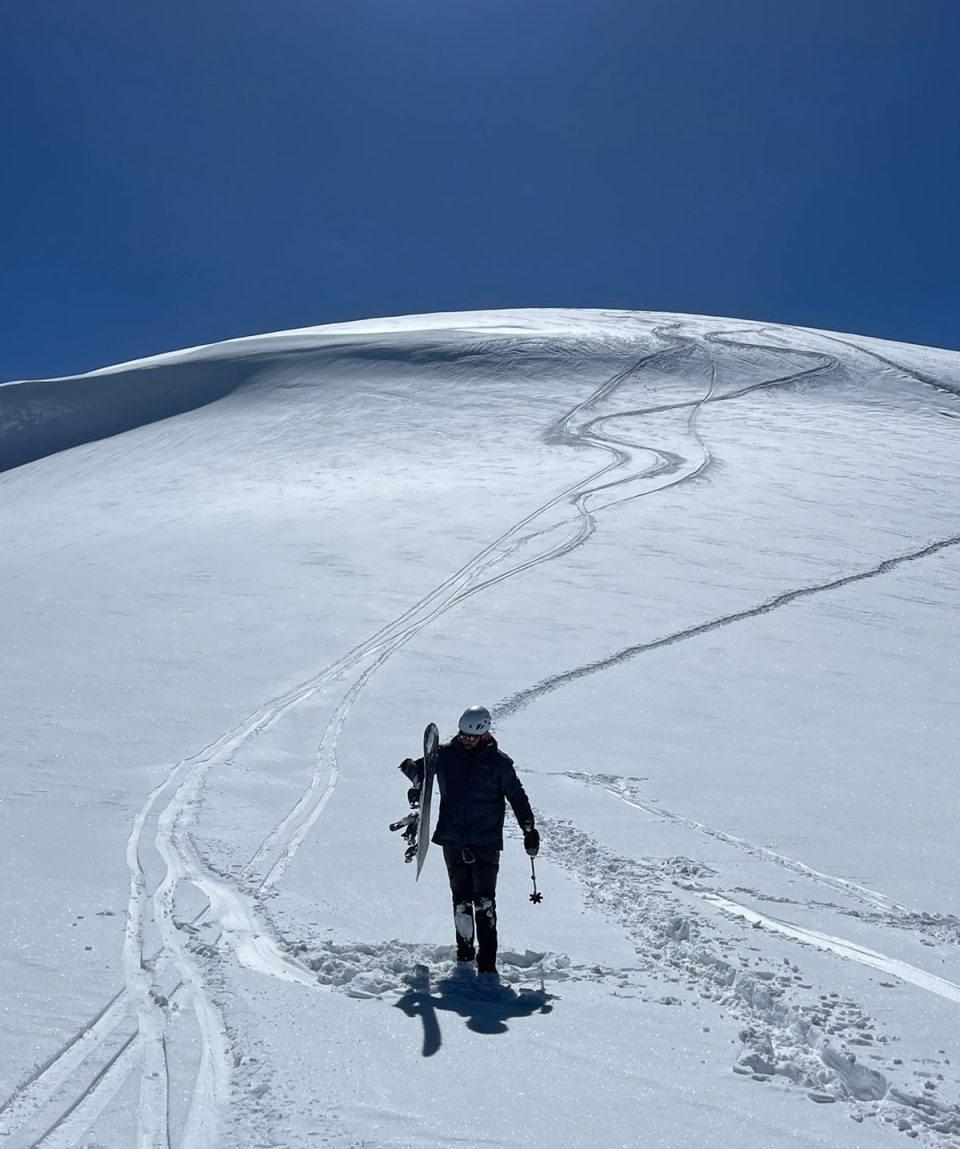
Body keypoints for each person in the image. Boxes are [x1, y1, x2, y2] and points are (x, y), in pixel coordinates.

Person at [399, 705, 540, 978]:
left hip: (485, 842)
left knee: (484, 902)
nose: (465, 740)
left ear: (485, 734)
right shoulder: (448, 755)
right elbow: (413, 766)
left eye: (471, 737)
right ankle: (464, 957)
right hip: (452, 839)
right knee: (461, 901)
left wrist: (529, 830)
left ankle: (487, 965)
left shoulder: (499, 764)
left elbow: (518, 798)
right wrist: (417, 784)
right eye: (463, 735)